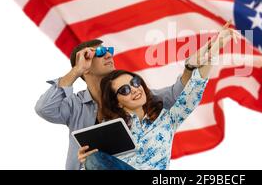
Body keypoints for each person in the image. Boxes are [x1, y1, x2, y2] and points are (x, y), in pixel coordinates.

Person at [78, 23, 236, 170]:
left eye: (135, 82)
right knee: (93, 159)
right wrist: (86, 161)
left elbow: (196, 85)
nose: (134, 89)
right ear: (118, 103)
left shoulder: (167, 118)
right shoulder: (109, 130)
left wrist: (217, 46)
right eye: (125, 90)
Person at [35, 39, 195, 170]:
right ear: (85, 66)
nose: (108, 55)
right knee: (93, 159)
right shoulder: (76, 105)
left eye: (109, 50)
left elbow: (176, 94)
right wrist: (76, 71)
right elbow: (44, 108)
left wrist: (191, 67)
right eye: (98, 53)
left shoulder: (134, 95)